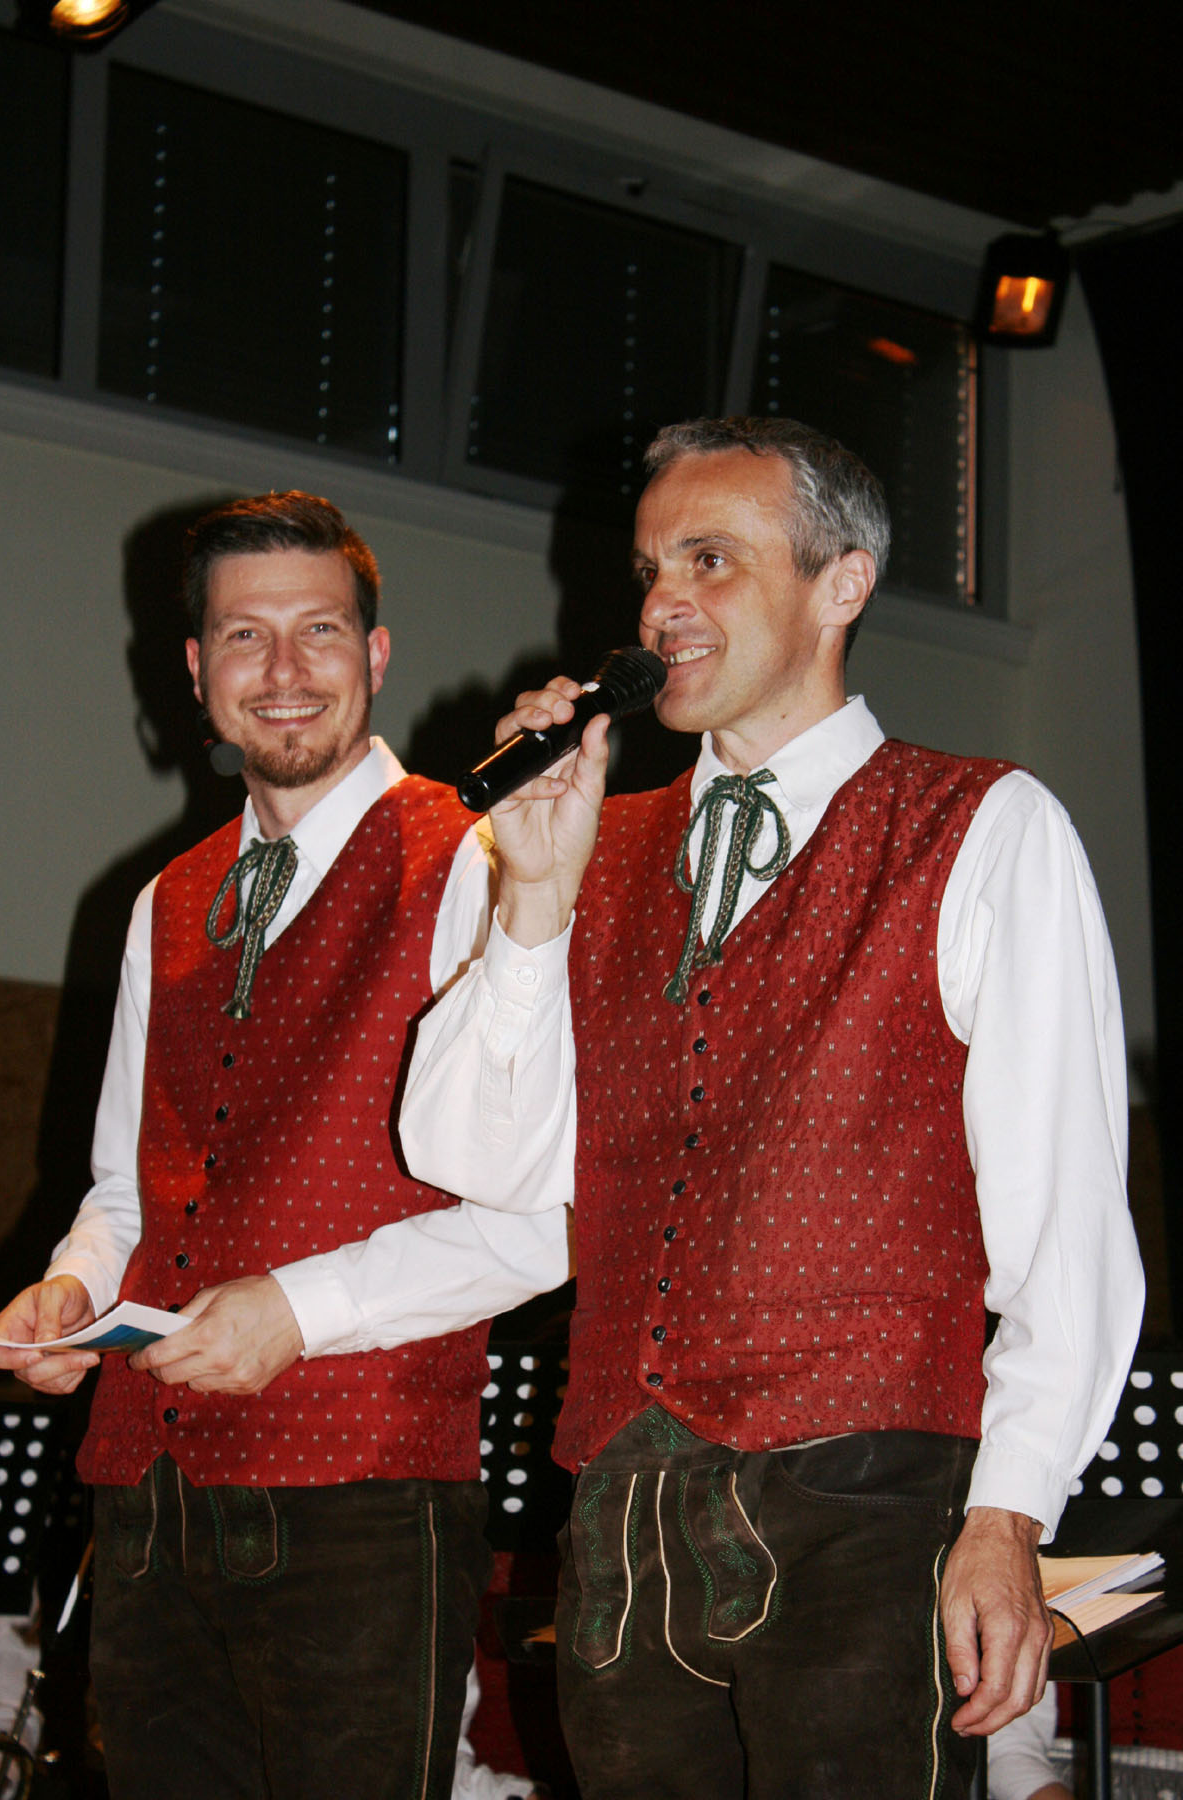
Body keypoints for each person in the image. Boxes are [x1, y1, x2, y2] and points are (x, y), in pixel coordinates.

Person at [398, 417, 1145, 1799]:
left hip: (873, 1499)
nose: (661, 606)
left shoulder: (983, 827)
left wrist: (1009, 1513)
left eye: (711, 561)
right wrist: (533, 897)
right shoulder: (583, 844)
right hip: (624, 1515)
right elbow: (472, 1162)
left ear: (841, 584)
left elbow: (1068, 1226)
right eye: (649, 570)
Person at [0, 491, 571, 1800]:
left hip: (361, 1500)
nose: (286, 669)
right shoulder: (165, 898)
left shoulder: (484, 862)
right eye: (247, 636)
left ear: (376, 654)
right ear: (198, 670)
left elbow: (547, 1221)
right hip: (147, 1499)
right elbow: (128, 1185)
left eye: (321, 631)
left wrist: (299, 1312)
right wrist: (75, 1285)